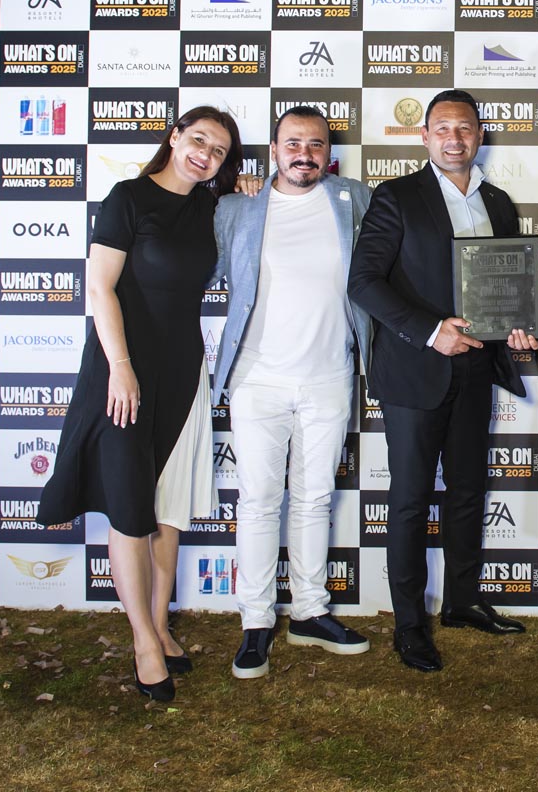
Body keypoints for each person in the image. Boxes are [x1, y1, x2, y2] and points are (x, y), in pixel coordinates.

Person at [36, 107, 245, 701]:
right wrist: (121, 368)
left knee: (168, 509)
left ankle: (159, 623)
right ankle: (143, 644)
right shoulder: (127, 198)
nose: (205, 154)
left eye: (219, 150)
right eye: (198, 139)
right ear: (174, 137)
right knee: (130, 506)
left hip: (183, 370)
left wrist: (249, 184)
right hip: (123, 368)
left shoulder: (211, 207)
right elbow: (99, 287)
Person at [348, 89, 537, 672]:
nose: (455, 139)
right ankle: (409, 624)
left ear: (480, 135)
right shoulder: (396, 196)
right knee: (408, 500)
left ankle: (462, 601)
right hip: (415, 371)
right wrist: (432, 332)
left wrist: (517, 330)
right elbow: (364, 282)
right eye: (443, 129)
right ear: (425, 136)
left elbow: (505, 287)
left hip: (477, 369)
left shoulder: (498, 202)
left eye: (465, 128)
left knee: (468, 492)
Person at [211, 105, 373, 679]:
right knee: (258, 501)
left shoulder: (355, 199)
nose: (304, 153)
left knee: (314, 499)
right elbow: (204, 272)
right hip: (257, 379)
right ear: (274, 150)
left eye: (316, 144)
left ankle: (309, 611)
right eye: (293, 143)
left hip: (330, 375)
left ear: (328, 152)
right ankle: (256, 622)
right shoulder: (236, 207)